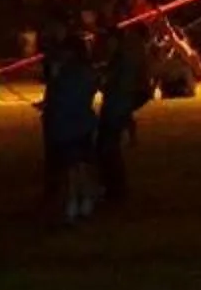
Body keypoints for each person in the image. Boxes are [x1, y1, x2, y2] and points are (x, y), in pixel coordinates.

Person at [40, 32, 99, 222]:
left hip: (69, 123)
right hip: (82, 122)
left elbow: (59, 96)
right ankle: (85, 200)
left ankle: (76, 201)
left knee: (73, 166)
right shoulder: (88, 72)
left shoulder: (66, 73)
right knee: (82, 164)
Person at [95, 21, 151, 204]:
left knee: (108, 146)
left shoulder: (124, 57)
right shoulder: (122, 55)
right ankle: (113, 187)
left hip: (117, 105)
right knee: (107, 146)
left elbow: (121, 84)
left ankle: (115, 189)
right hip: (117, 104)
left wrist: (104, 84)